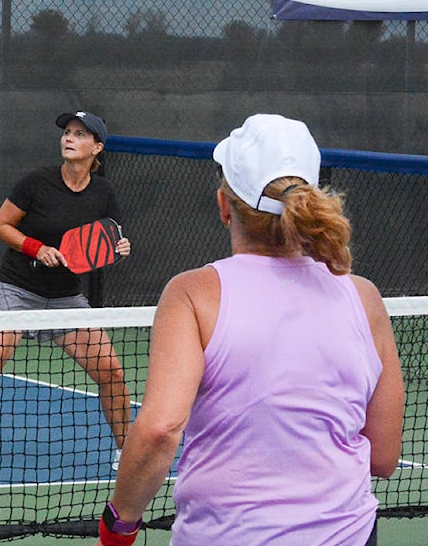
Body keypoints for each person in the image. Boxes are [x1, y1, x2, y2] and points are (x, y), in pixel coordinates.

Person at [96, 114, 405, 546]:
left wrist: (117, 529)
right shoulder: (365, 296)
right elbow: (385, 456)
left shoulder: (192, 294)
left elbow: (160, 430)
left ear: (225, 205)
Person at [0, 111, 133, 484]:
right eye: (67, 132)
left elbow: (110, 236)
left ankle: (126, 453)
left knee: (113, 373)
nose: (69, 138)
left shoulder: (104, 191)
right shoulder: (36, 183)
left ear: (96, 148)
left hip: (66, 298)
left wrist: (120, 247)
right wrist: (36, 248)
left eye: (80, 134)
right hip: (15, 292)